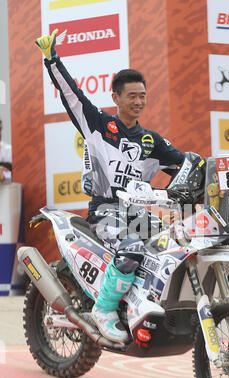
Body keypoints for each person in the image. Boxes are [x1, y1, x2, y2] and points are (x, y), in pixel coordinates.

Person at [35, 29, 184, 344]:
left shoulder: (152, 141)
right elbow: (72, 96)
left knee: (174, 245)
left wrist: (204, 176)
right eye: (132, 95)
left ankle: (145, 307)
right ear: (116, 97)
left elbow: (184, 167)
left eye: (143, 95)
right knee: (131, 246)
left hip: (139, 213)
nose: (139, 101)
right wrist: (52, 60)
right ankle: (104, 309)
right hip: (105, 210)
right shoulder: (99, 125)